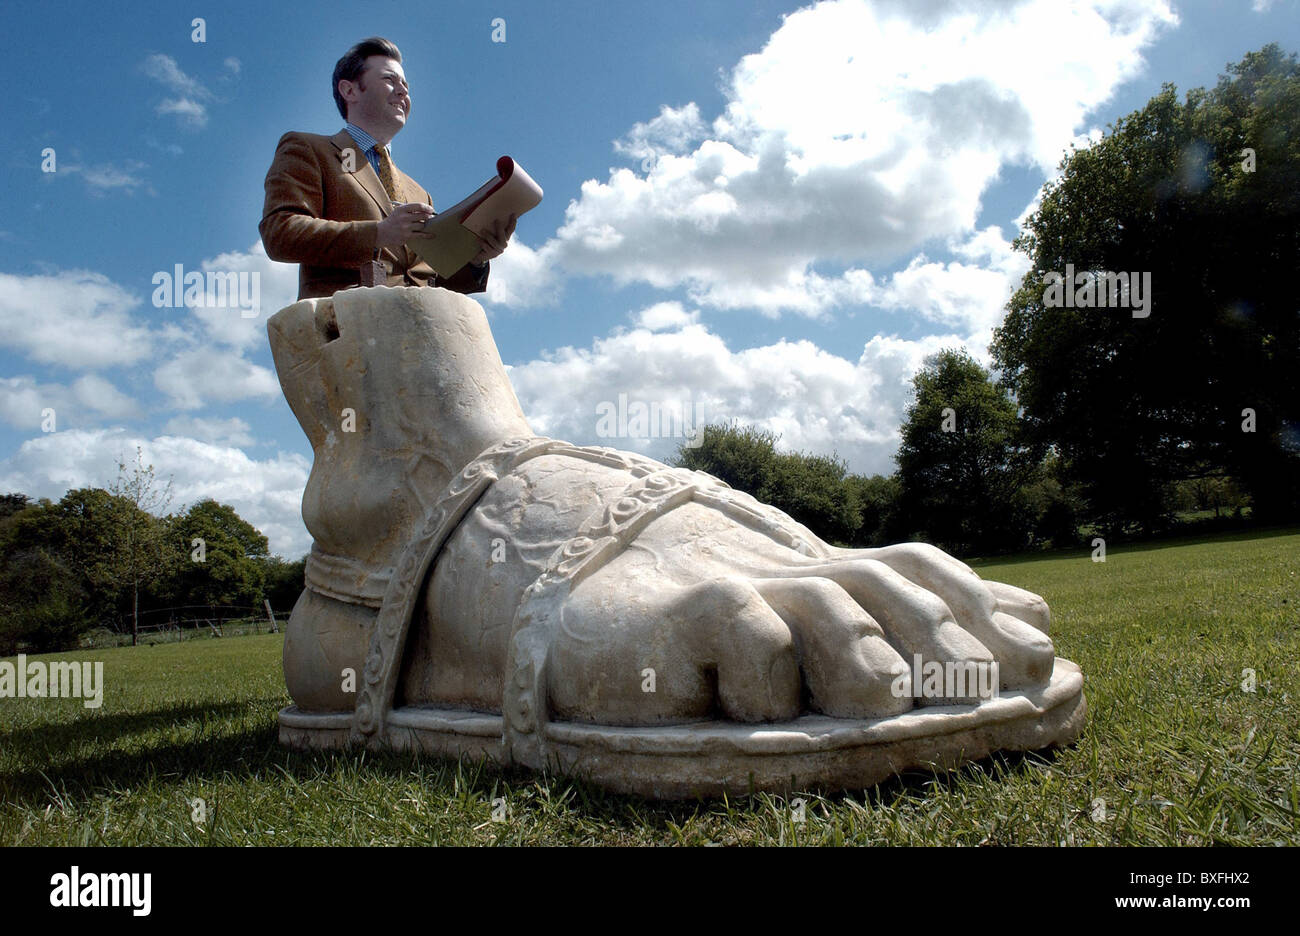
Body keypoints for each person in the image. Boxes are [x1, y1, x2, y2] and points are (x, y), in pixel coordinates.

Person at [259, 36, 516, 301]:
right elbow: (280, 232)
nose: (403, 91)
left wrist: (475, 260)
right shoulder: (309, 149)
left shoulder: (419, 193)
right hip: (349, 330)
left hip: (419, 332)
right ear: (350, 91)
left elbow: (427, 278)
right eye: (389, 80)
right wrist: (378, 233)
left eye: (405, 84)